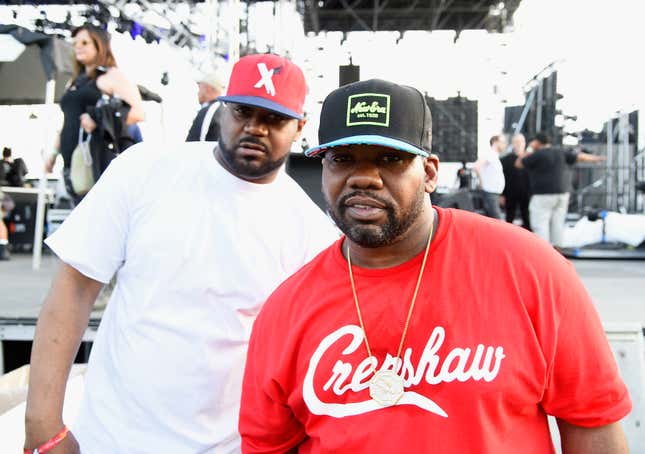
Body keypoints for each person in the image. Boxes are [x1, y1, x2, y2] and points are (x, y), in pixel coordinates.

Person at [239, 79, 631, 453]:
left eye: (390, 159)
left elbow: (591, 420)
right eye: (342, 159)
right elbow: (268, 445)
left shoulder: (529, 269)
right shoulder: (286, 310)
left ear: (429, 173)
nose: (364, 177)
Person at [24, 54, 338, 454]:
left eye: (274, 119)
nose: (255, 128)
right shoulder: (144, 169)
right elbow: (73, 290)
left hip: (228, 446)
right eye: (243, 111)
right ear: (221, 109)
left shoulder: (311, 232)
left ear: (299, 128)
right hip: (109, 438)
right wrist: (43, 425)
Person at [45, 24, 144, 203]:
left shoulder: (112, 76)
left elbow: (137, 113)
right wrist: (52, 154)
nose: (78, 47)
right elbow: (67, 122)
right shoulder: (74, 81)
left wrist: (98, 119)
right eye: (75, 43)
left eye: (85, 42)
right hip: (73, 163)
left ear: (99, 45)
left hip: (98, 161)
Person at [515, 133, 605, 247]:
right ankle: (558, 250)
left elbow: (518, 163)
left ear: (537, 142)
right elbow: (580, 156)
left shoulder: (536, 154)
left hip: (542, 194)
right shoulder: (560, 152)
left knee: (540, 223)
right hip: (562, 193)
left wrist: (529, 149)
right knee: (558, 223)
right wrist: (596, 159)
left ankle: (543, 251)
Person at [500, 133, 531, 229]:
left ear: (525, 143)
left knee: (527, 218)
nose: (519, 144)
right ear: (512, 143)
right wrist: (502, 194)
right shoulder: (505, 160)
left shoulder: (531, 159)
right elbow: (502, 178)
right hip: (510, 193)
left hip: (527, 193)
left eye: (521, 141)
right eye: (516, 142)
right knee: (509, 218)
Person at [186, 70, 226, 142]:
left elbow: (194, 142)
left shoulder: (211, 110)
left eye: (200, 88)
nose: (198, 92)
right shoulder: (223, 109)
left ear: (208, 88)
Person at [473, 134, 506, 219]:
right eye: (502, 142)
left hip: (494, 194)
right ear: (495, 142)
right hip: (489, 193)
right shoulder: (490, 154)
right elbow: (476, 166)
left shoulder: (494, 156)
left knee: (494, 221)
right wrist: (481, 181)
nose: (504, 144)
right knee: (498, 221)